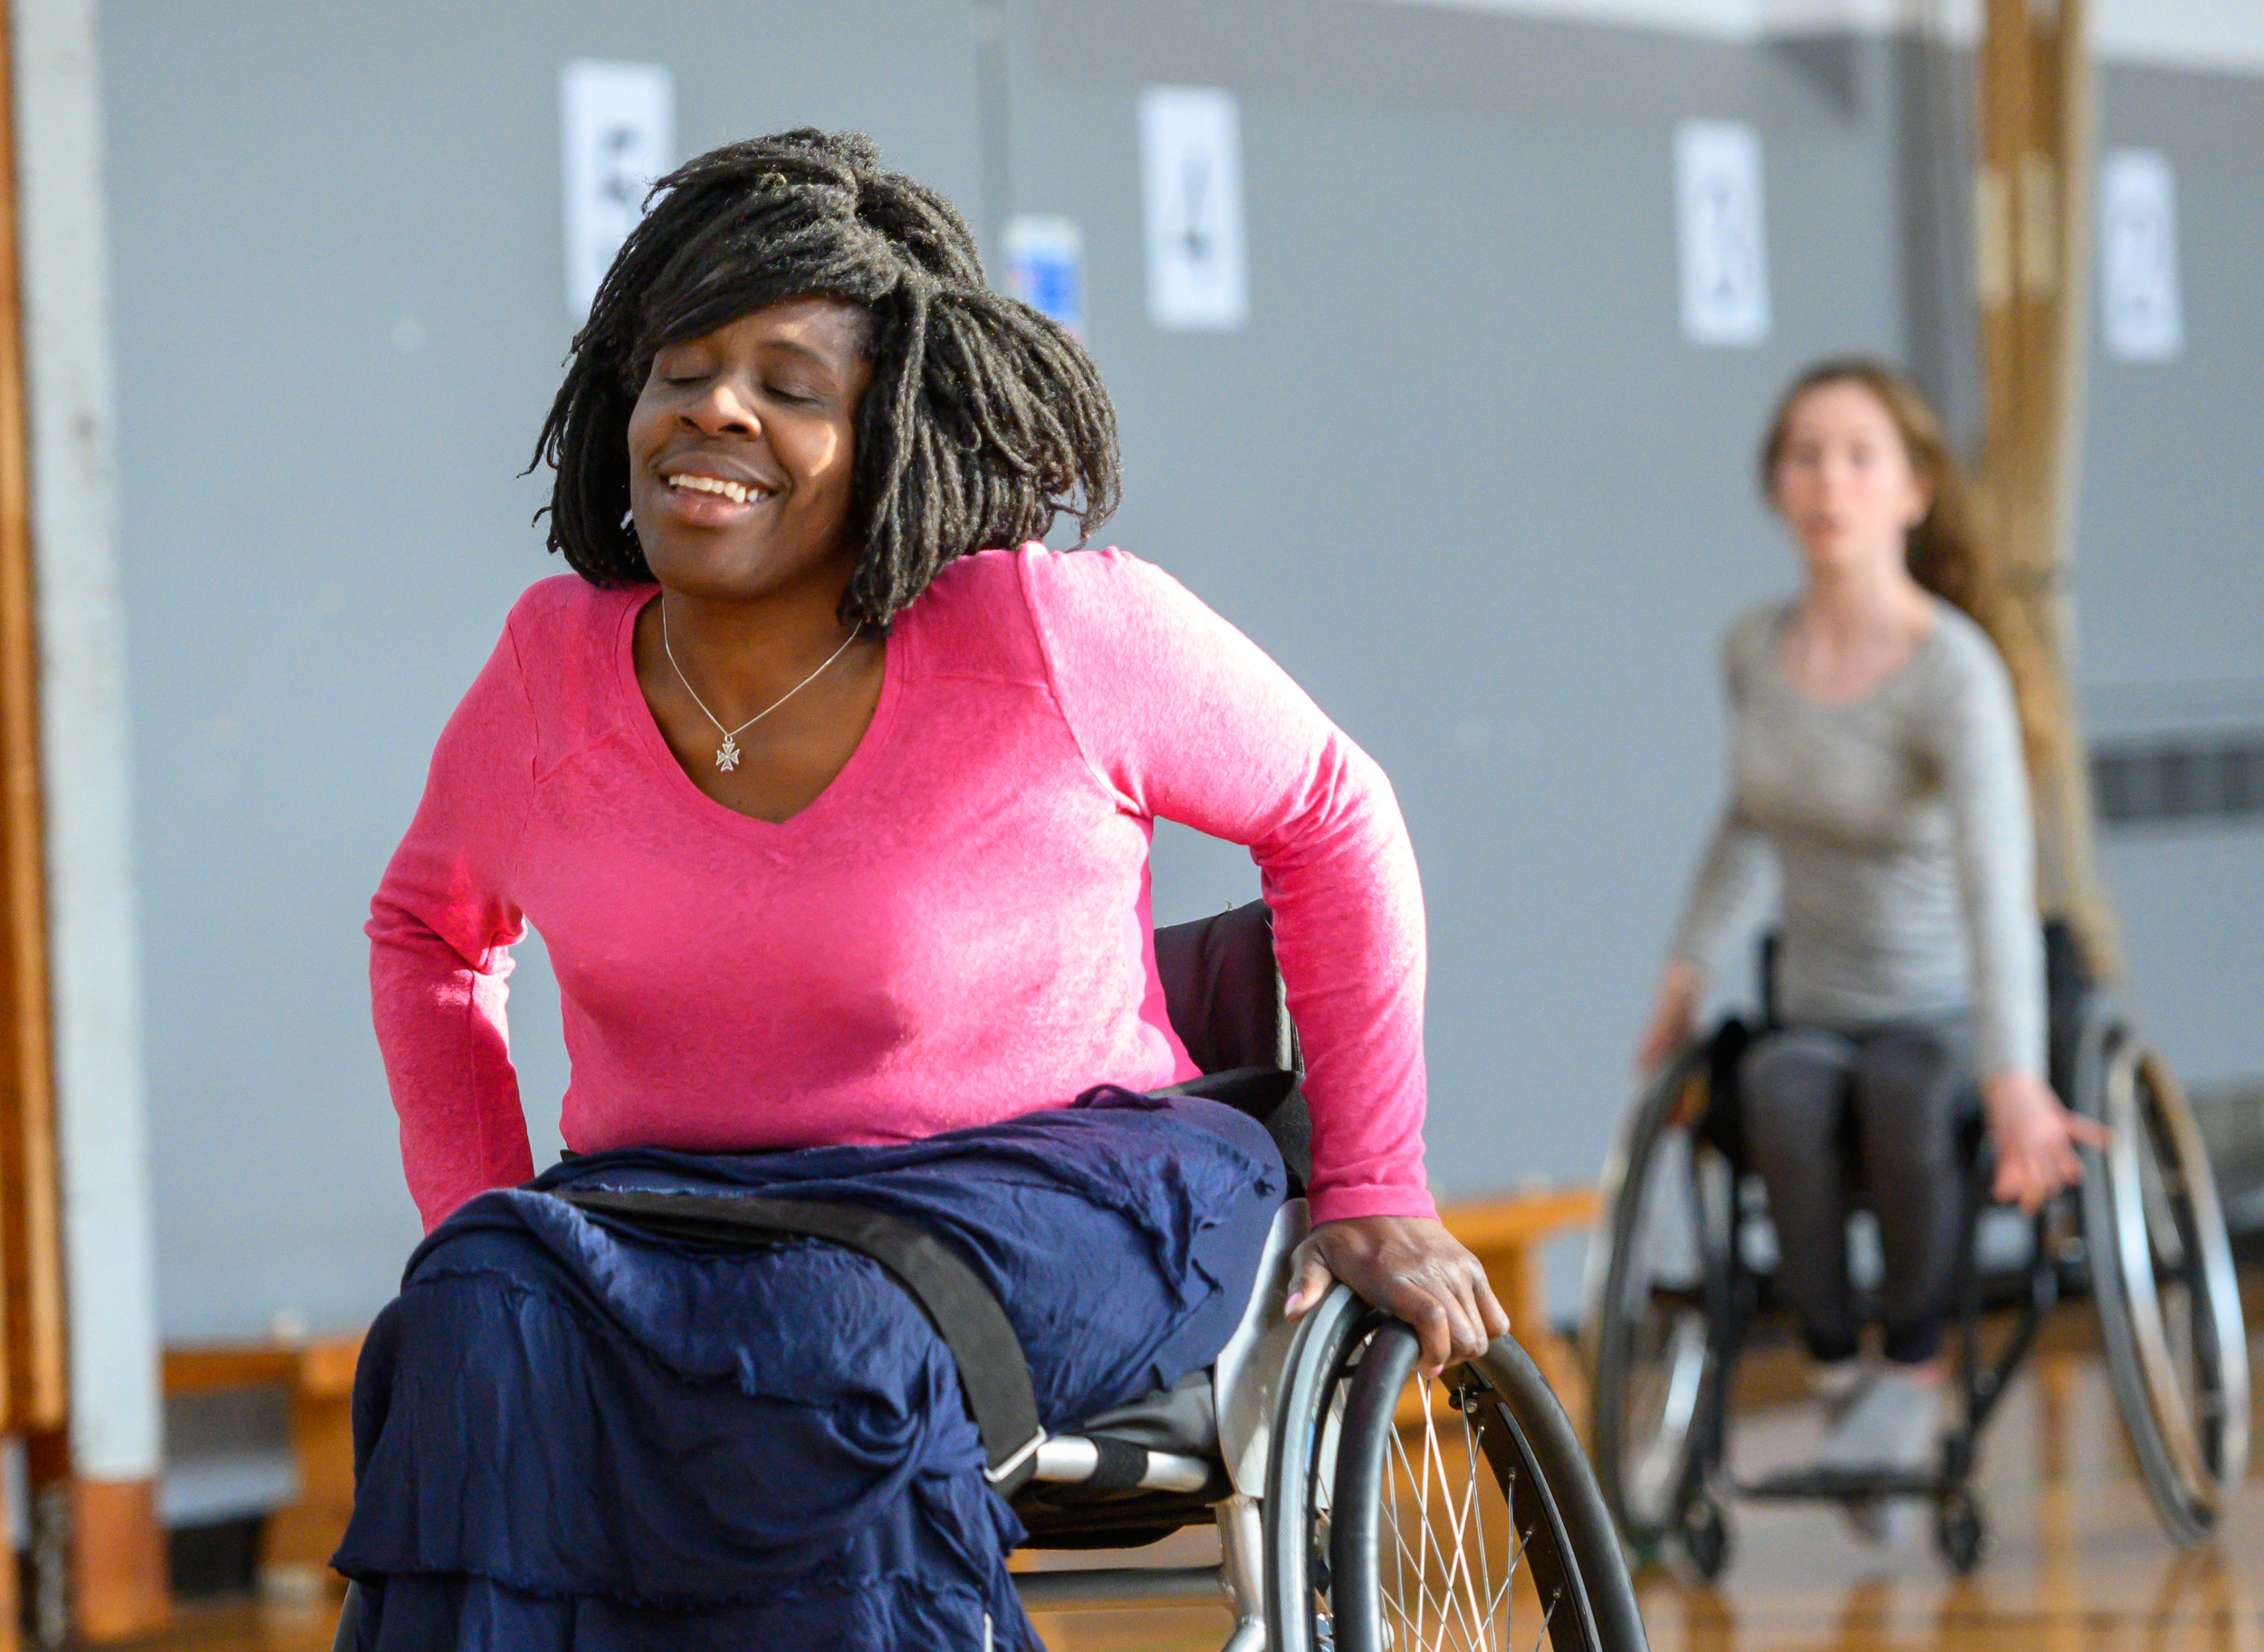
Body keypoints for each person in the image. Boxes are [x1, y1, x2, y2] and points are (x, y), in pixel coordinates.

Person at [342, 130, 1506, 1651]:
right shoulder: (550, 669)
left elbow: (1333, 810)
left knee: (827, 1338)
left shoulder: (1050, 630)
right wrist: (486, 1210)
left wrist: (1375, 1178)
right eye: (681, 368)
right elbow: (427, 925)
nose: (716, 409)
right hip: (685, 1210)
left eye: (790, 384)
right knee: (474, 1309)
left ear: (893, 434)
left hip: (1067, 1172)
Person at [1636, 360, 2104, 1513]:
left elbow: (2001, 884)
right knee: (1782, 1090)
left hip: (1945, 1006)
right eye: (1803, 455)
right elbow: (1750, 819)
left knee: (1903, 1090)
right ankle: (1838, 1366)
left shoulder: (1953, 672)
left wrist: (2011, 1078)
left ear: (1911, 492)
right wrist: (1684, 968)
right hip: (1814, 1002)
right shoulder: (1753, 650)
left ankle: (1910, 1365)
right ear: (1774, 486)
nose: (1826, 481)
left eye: (1857, 456)